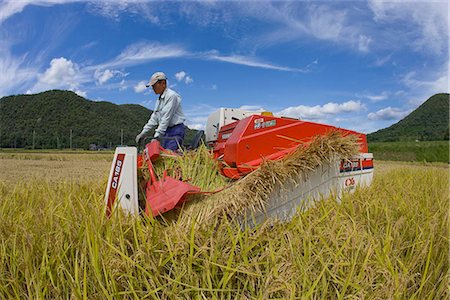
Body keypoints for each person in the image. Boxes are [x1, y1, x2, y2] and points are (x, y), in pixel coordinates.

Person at [135, 72, 186, 151]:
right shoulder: (159, 100)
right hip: (166, 131)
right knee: (160, 154)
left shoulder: (172, 96)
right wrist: (143, 132)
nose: (152, 88)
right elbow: (154, 118)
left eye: (154, 85)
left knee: (169, 155)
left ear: (163, 83)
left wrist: (156, 137)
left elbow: (166, 118)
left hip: (175, 130)